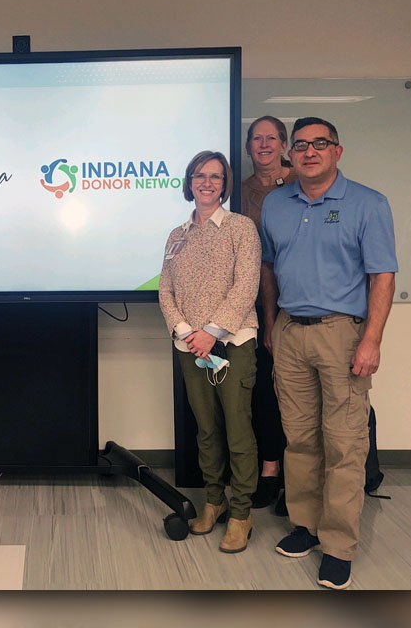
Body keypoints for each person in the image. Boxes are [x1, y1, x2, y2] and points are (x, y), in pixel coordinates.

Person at [260, 116, 396, 590]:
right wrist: (273, 323)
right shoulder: (276, 204)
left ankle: (338, 547)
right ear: (290, 154)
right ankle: (307, 526)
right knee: (299, 438)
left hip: (343, 335)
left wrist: (372, 338)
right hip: (290, 333)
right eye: (300, 145)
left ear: (337, 150)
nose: (309, 151)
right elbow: (270, 269)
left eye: (320, 144)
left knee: (344, 443)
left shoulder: (368, 203)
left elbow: (382, 275)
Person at [159, 151, 261, 553]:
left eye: (216, 177)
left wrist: (212, 334)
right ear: (189, 182)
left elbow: (246, 285)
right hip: (189, 347)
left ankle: (241, 513)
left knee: (237, 429)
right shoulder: (176, 235)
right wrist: (187, 332)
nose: (207, 182)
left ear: (225, 183)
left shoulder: (241, 228)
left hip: (232, 344)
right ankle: (214, 502)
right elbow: (165, 289)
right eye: (200, 175)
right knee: (206, 430)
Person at [241, 116, 296, 512]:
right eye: (256, 139)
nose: (264, 145)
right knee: (263, 392)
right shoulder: (239, 193)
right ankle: (271, 471)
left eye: (271, 138)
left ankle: (302, 479)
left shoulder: (305, 183)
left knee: (301, 395)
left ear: (284, 144)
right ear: (248, 147)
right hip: (256, 306)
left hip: (301, 302)